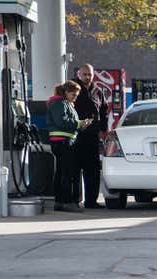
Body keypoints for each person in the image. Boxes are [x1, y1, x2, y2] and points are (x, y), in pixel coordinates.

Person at [46, 80, 91, 213]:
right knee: (67, 173)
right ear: (66, 92)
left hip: (62, 141)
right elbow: (62, 121)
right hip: (63, 142)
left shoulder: (63, 103)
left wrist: (79, 125)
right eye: (73, 95)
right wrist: (79, 123)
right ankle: (67, 202)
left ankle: (60, 202)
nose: (75, 97)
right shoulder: (60, 103)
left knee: (62, 172)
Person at [72, 64, 109, 209]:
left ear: (93, 75)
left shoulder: (98, 90)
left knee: (92, 170)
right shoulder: (72, 88)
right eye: (84, 74)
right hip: (75, 135)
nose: (87, 77)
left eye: (90, 74)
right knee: (74, 170)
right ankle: (74, 200)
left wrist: (103, 129)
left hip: (92, 136)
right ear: (79, 74)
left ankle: (91, 201)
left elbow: (104, 111)